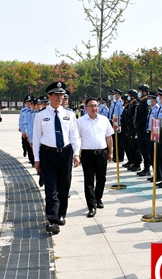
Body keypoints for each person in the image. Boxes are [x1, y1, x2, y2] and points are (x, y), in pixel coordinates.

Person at [33, 82, 81, 234]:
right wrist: (37, 159)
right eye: (57, 94)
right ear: (49, 96)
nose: (60, 97)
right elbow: (36, 138)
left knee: (64, 186)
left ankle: (61, 213)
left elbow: (74, 136)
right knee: (50, 188)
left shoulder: (69, 115)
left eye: (62, 94)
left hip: (65, 153)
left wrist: (76, 154)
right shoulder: (41, 116)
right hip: (48, 154)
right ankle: (52, 219)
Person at [77, 98, 114, 217]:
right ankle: (91, 206)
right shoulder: (81, 121)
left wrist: (110, 152)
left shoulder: (104, 120)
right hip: (87, 154)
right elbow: (77, 139)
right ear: (86, 108)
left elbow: (109, 137)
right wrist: (77, 154)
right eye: (91, 106)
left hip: (102, 153)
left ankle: (98, 198)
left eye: (96, 106)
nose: (94, 108)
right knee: (89, 180)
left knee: (101, 178)